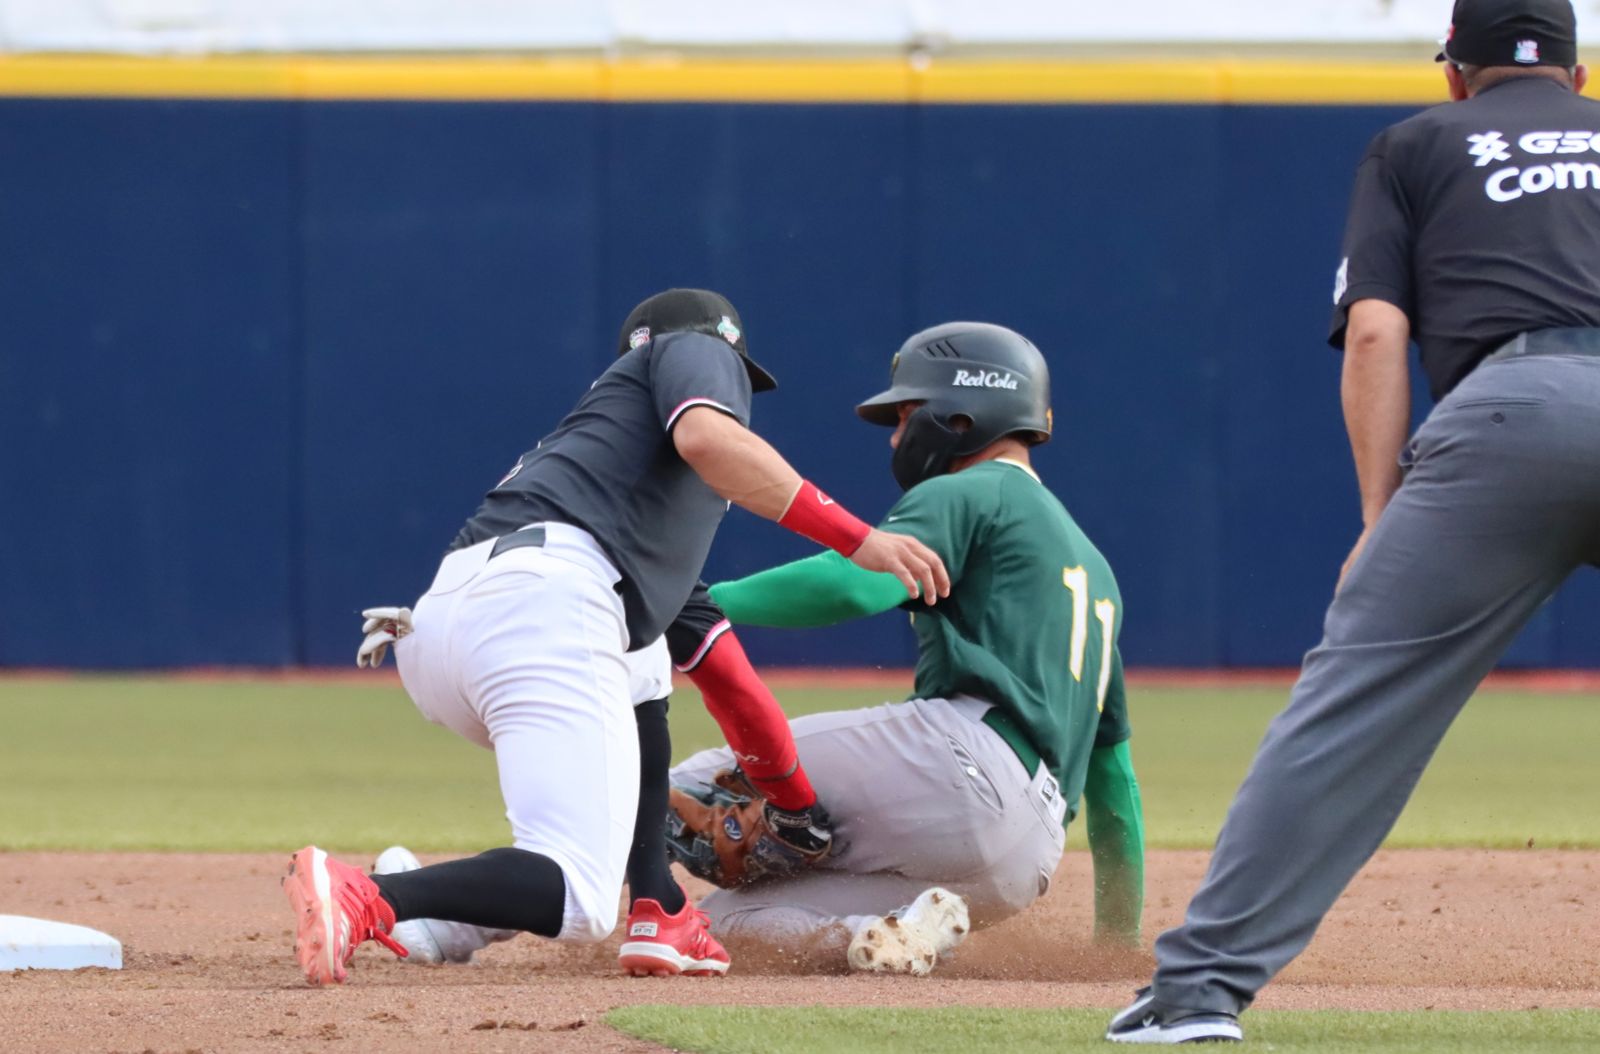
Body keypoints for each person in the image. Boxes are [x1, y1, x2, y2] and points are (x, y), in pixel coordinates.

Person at [1106, 0, 1600, 1042]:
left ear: (1454, 73)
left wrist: (1378, 514)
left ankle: (1198, 994)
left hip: (1503, 418)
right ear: (1578, 74)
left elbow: (1376, 330)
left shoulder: (1415, 142)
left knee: (1352, 709)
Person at [283, 288, 949, 985]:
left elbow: (732, 686)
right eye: (731, 380)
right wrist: (858, 538)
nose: (731, 393)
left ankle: (658, 908)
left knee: (646, 662)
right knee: (577, 898)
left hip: (451, 627)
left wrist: (793, 798)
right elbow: (707, 437)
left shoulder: (614, 496)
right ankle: (373, 897)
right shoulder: (691, 348)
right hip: (542, 608)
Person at [664, 321, 1146, 975]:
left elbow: (857, 585)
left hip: (963, 764)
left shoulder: (973, 489)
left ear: (960, 414)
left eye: (907, 413)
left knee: (670, 786)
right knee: (725, 925)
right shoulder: (1097, 573)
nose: (896, 435)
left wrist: (699, 606)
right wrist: (1115, 955)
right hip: (1024, 860)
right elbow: (1115, 790)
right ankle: (877, 935)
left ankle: (482, 914)